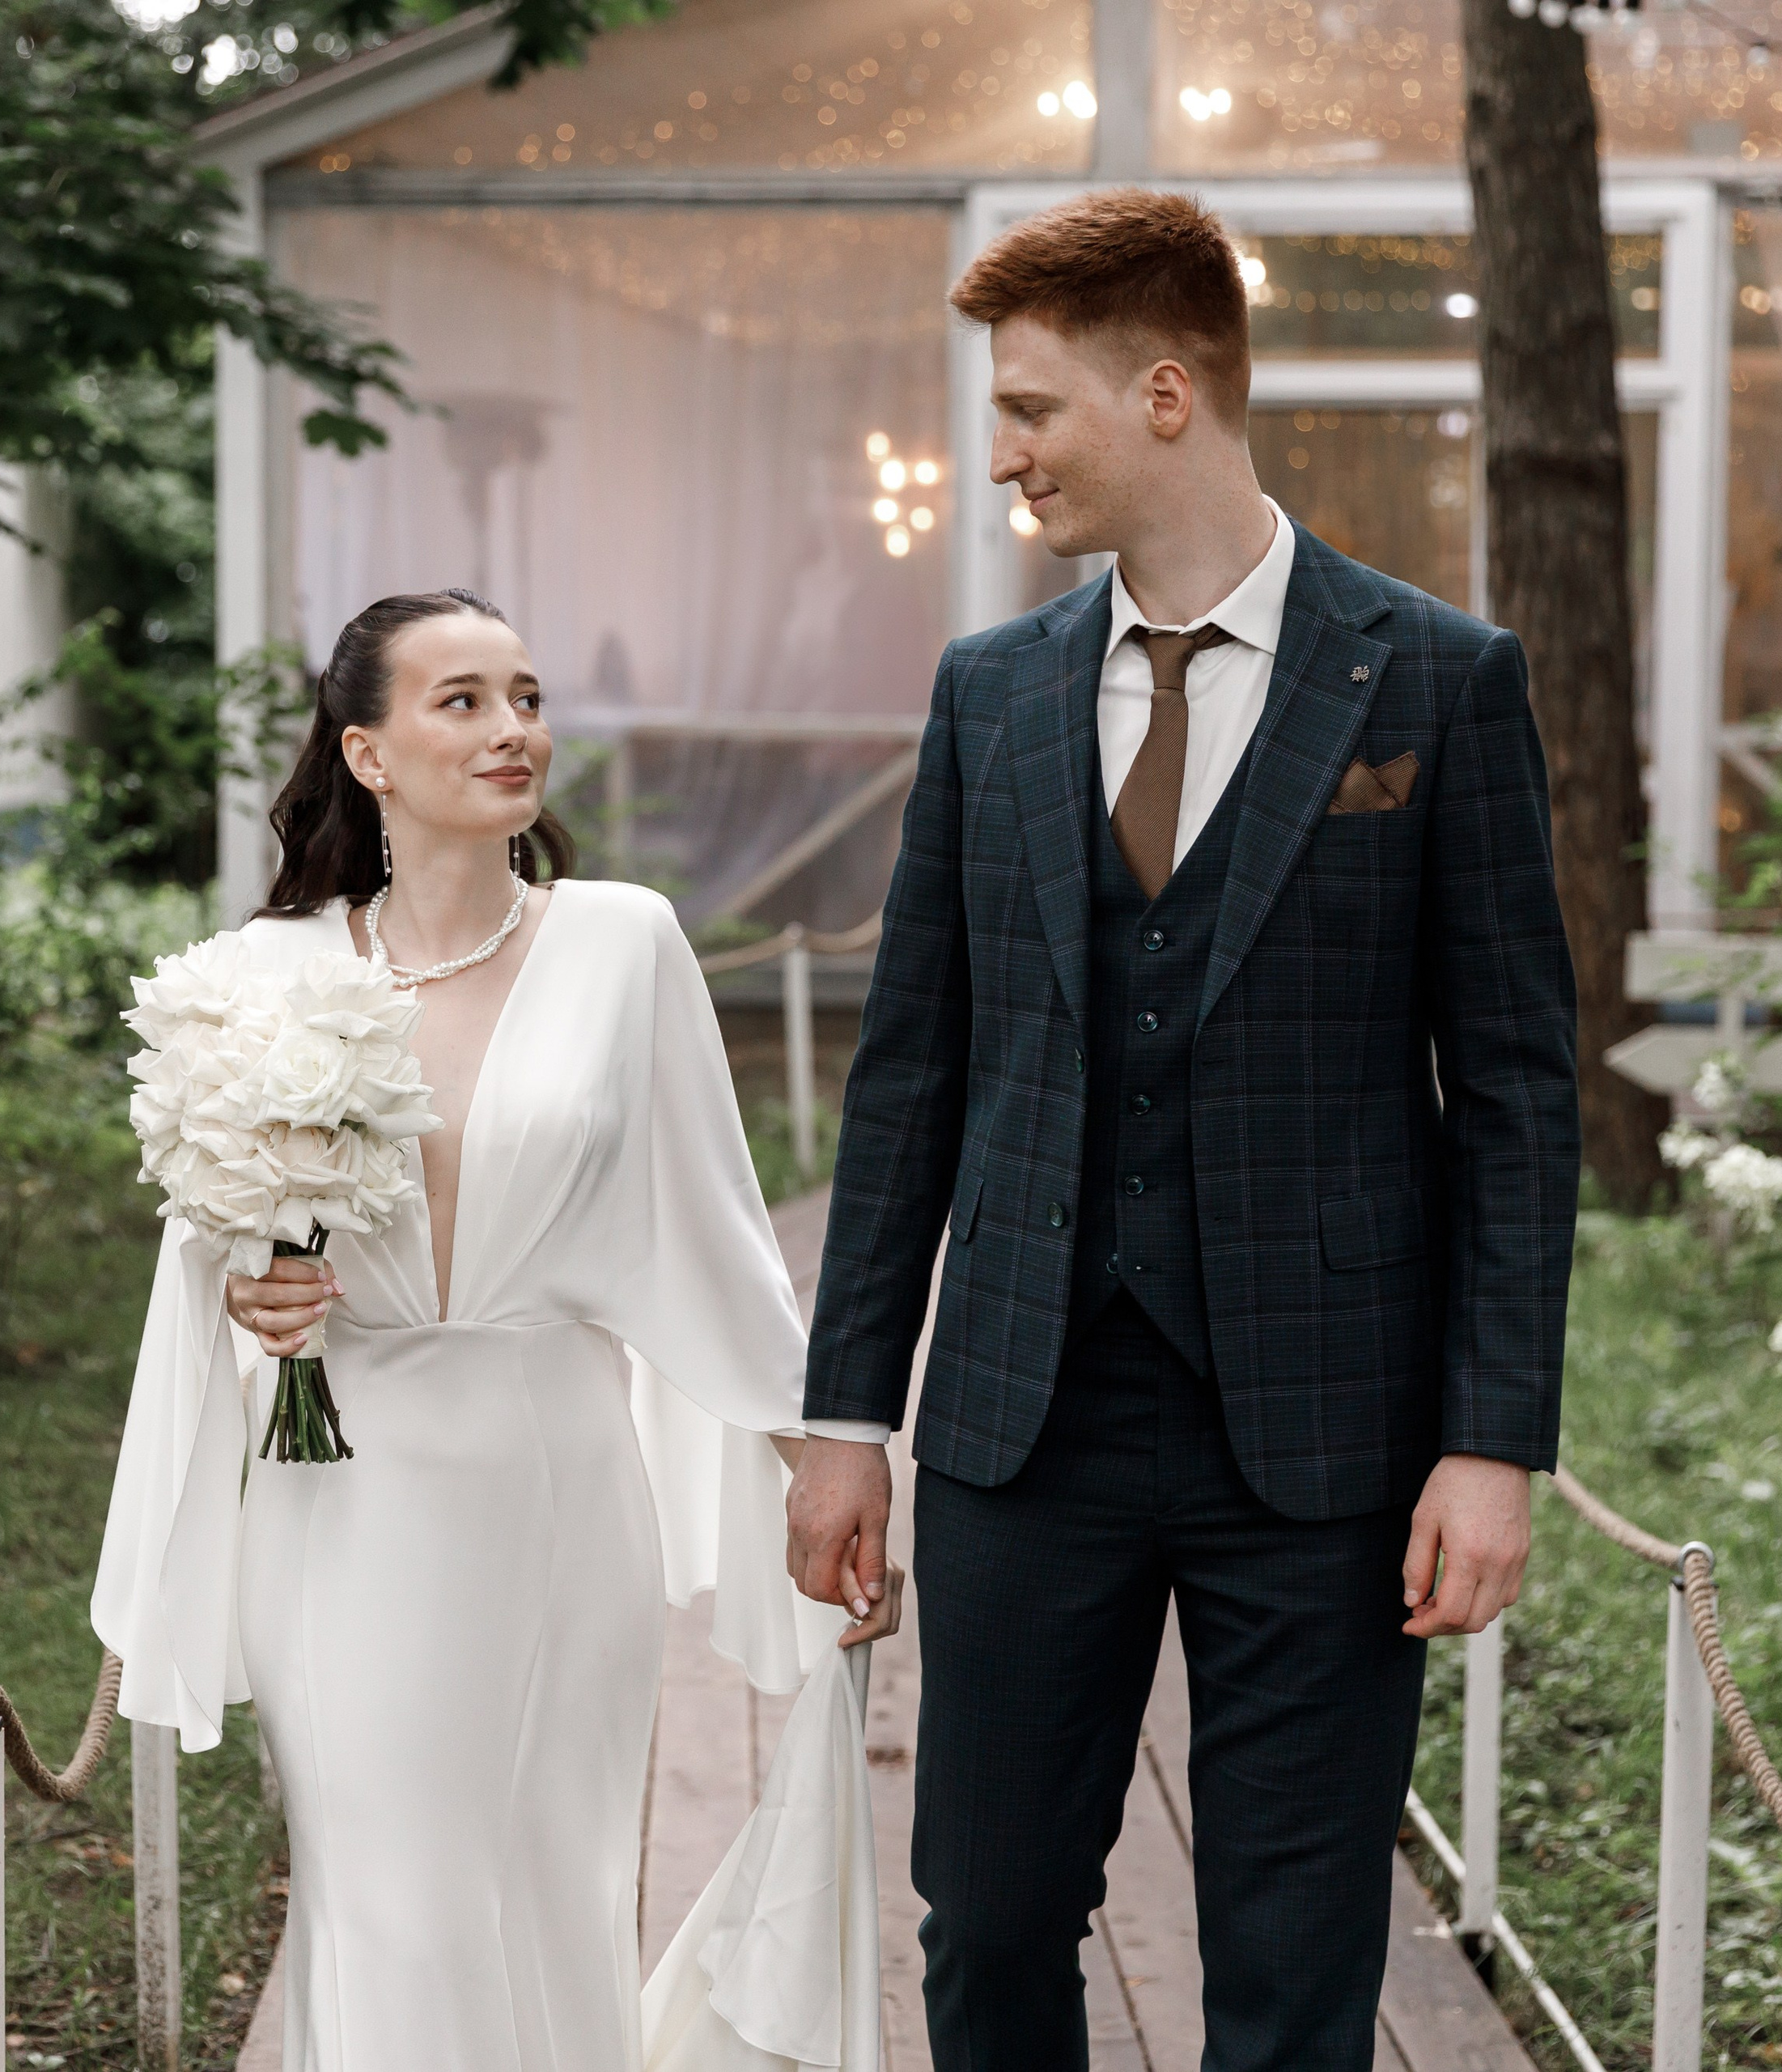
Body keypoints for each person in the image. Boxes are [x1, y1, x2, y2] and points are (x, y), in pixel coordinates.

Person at [784, 190, 1581, 2071]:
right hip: (1017, 1415)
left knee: (1292, 1953)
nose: (1002, 457)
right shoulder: (988, 693)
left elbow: (1517, 1085)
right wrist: (842, 1416)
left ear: (1162, 395)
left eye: (1031, 410)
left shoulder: (1437, 679)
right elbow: (908, 1071)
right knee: (981, 1920)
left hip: (1320, 1428)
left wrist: (1492, 1438)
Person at [91, 588, 902, 2072]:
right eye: (461, 701)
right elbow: (206, 1264)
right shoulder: (265, 980)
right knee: (389, 1896)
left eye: (525, 697)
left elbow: (710, 1237)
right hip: (345, 1491)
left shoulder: (624, 945)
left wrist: (823, 1464)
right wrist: (250, 1296)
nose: (513, 728)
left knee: (554, 1881)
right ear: (370, 754)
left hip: (562, 1480)